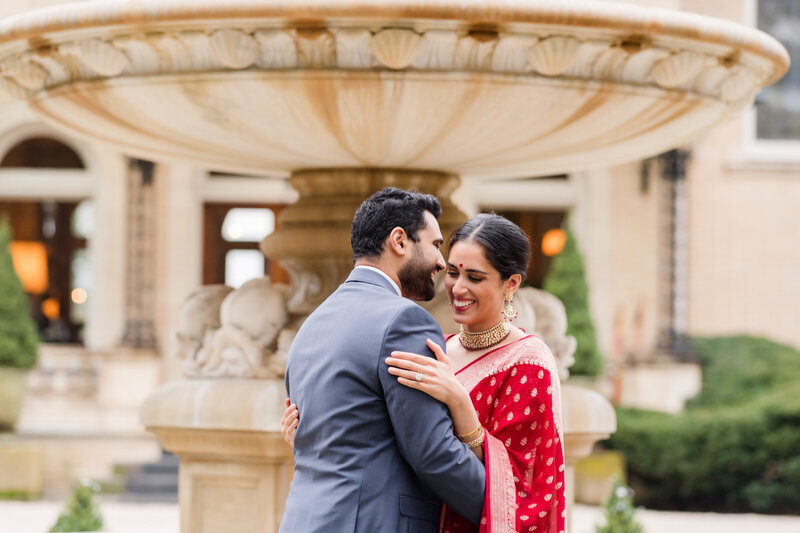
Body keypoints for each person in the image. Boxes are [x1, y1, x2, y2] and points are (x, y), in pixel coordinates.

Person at [283, 213, 566, 533]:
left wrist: (461, 404)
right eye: (454, 273)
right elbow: (389, 435)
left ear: (510, 283)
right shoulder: (433, 347)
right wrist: (312, 433)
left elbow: (526, 485)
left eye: (475, 277)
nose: (458, 288)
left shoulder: (528, 362)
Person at [278, 188, 486, 533]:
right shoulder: (405, 321)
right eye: (435, 245)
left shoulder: (310, 326)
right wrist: (509, 507)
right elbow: (433, 453)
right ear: (399, 241)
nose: (440, 262)